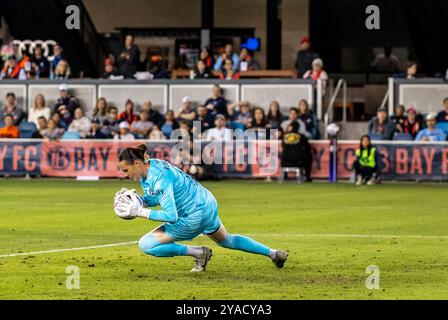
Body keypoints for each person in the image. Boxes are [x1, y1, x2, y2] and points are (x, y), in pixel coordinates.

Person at [114, 144, 288, 272]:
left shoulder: (158, 178)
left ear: (136, 163)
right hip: (207, 203)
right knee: (227, 240)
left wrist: (139, 211)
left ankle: (198, 253)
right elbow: (160, 196)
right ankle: (273, 253)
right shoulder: (153, 165)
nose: (125, 175)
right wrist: (140, 201)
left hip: (193, 216)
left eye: (125, 170)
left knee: (147, 244)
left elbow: (171, 215)